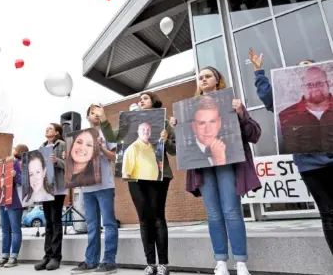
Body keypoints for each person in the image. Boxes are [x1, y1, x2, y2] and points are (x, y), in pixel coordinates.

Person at [249, 49, 333, 256]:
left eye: (317, 81)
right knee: (329, 214)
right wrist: (259, 72)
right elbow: (269, 98)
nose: (313, 86)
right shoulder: (289, 112)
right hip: (311, 167)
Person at [181, 66, 262, 275]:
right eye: (200, 78)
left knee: (232, 212)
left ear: (217, 80)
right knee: (214, 215)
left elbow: (254, 134)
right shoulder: (189, 110)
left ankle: (241, 262)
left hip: (228, 164)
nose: (203, 79)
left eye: (207, 76)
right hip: (204, 168)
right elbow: (183, 143)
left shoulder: (232, 102)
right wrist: (176, 127)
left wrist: (241, 113)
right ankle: (221, 262)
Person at [93, 92, 176, 275]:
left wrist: (166, 140)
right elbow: (114, 138)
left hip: (158, 175)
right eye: (139, 99)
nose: (141, 100)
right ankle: (150, 263)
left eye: (145, 98)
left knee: (157, 217)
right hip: (136, 176)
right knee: (144, 219)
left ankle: (163, 263)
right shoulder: (130, 122)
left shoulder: (164, 121)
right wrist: (105, 119)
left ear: (154, 102)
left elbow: (175, 149)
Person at [69, 104, 119, 274]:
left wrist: (101, 148)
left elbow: (114, 157)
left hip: (105, 185)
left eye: (98, 111)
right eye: (91, 112)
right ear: (88, 117)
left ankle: (109, 261)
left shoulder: (107, 132)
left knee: (109, 224)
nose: (95, 114)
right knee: (92, 226)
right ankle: (91, 261)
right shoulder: (81, 136)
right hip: (87, 187)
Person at [276, 65, 333, 153]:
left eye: (319, 83)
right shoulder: (285, 117)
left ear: (328, 84)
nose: (315, 88)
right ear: (302, 88)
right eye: (309, 85)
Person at [34, 123, 67, 271]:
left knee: (56, 221)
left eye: (50, 128)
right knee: (48, 223)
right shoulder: (41, 147)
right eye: (46, 128)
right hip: (45, 189)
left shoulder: (63, 145)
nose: (46, 129)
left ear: (57, 132)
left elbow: (69, 165)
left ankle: (56, 257)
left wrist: (57, 161)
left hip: (58, 189)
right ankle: (47, 256)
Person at [0, 144, 29, 268]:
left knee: (15, 229)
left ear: (20, 151)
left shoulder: (20, 164)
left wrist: (16, 176)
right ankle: (4, 255)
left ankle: (14, 256)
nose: (13, 150)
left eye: (15, 149)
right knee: (5, 230)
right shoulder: (6, 164)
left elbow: (26, 183)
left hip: (15, 200)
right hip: (4, 199)